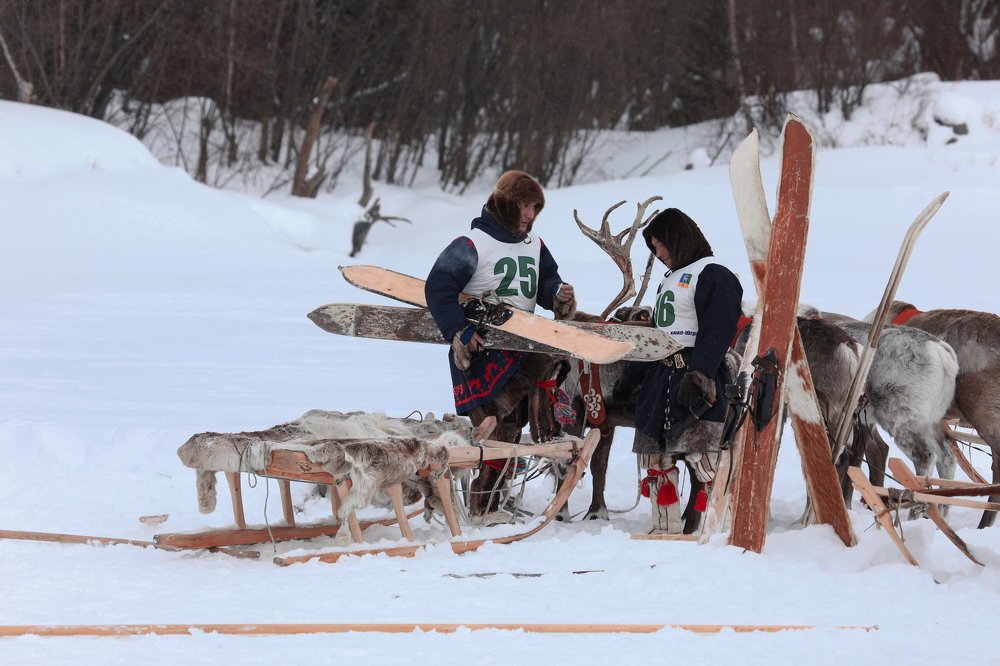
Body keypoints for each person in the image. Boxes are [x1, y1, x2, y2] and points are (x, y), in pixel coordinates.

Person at [425, 170, 576, 516]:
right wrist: (459, 331)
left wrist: (558, 294)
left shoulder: (534, 244)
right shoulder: (471, 243)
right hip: (482, 351)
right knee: (491, 433)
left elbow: (546, 281)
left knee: (511, 429)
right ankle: (483, 508)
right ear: (506, 204)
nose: (529, 214)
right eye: (523, 205)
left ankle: (495, 502)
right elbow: (438, 287)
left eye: (535, 207)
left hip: (521, 349)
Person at [631, 208, 743, 534]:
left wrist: (701, 373)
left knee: (704, 457)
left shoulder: (712, 273)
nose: (659, 254)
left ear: (678, 239)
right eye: (653, 248)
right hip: (661, 378)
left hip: (696, 377)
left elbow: (719, 326)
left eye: (661, 245)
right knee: (657, 460)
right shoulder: (668, 279)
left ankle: (720, 527)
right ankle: (664, 530)